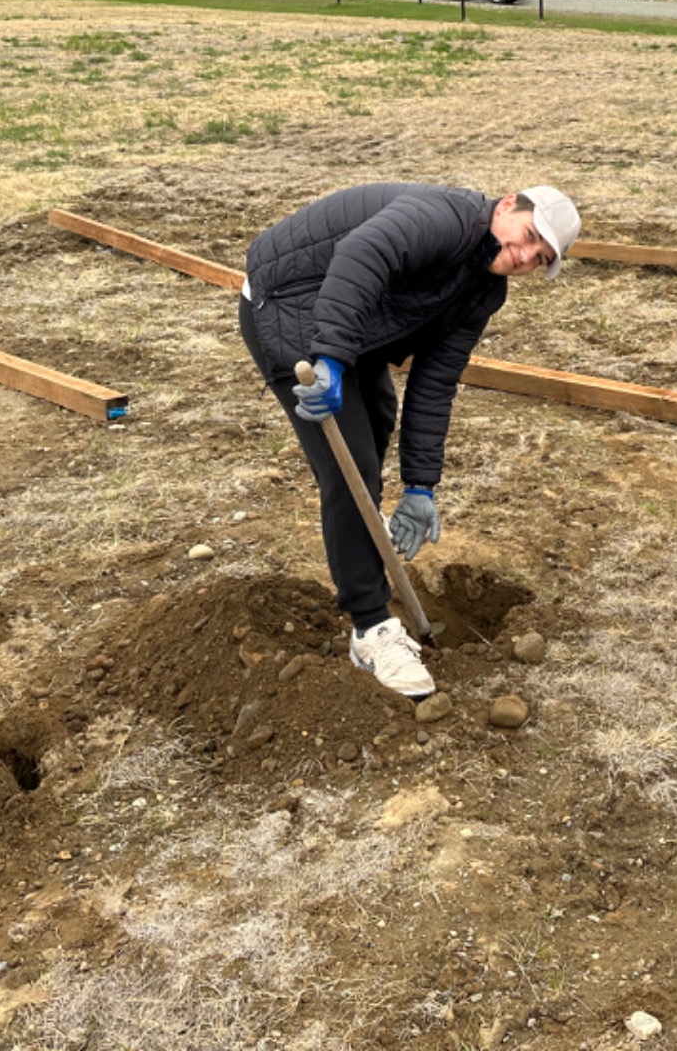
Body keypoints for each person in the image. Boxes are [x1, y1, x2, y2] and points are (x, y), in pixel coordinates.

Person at [238, 182, 579, 696]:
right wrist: (329, 358)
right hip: (290, 300)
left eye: (539, 258)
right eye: (529, 236)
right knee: (349, 466)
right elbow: (361, 255)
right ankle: (370, 626)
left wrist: (421, 485)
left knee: (375, 424)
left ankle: (364, 568)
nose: (524, 256)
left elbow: (435, 382)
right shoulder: (443, 218)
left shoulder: (484, 293)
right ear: (508, 205)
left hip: (360, 323)